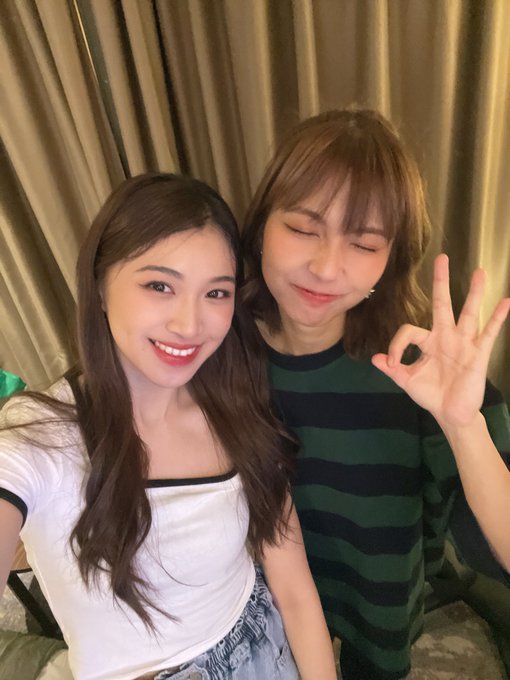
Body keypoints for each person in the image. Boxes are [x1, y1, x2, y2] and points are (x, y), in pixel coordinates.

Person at [0, 174, 337, 680]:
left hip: (263, 646)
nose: (189, 324)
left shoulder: (235, 405)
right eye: (159, 285)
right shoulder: (40, 433)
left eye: (216, 293)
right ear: (100, 286)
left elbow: (293, 589)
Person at [241, 108, 510, 679]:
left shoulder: (422, 368)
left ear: (390, 259)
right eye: (303, 229)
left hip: (380, 607)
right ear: (262, 225)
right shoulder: (222, 350)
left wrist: (464, 425)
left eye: (363, 244)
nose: (325, 267)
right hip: (269, 607)